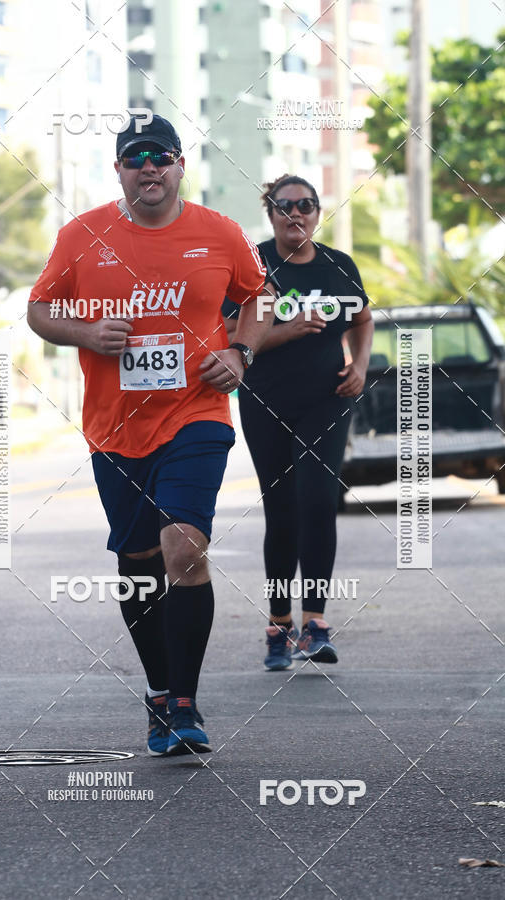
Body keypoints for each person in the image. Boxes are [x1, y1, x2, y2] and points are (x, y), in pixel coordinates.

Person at [27, 115, 273, 755]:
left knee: (184, 547)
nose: (149, 168)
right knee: (137, 565)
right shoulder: (82, 235)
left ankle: (186, 703)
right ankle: (159, 690)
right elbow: (40, 308)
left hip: (197, 413)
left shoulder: (220, 233)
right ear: (118, 170)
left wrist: (241, 352)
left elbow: (257, 297)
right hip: (115, 427)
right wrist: (85, 333)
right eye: (135, 158)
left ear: (180, 164)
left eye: (160, 156)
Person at [223, 174, 374, 671]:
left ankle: (315, 624)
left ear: (317, 211)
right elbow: (230, 335)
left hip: (327, 400)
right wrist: (286, 331)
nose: (297, 214)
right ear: (270, 212)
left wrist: (360, 364)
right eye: (285, 206)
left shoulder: (338, 265)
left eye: (306, 205)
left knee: (317, 501)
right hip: (265, 401)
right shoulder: (252, 265)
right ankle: (278, 626)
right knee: (281, 510)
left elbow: (363, 319)